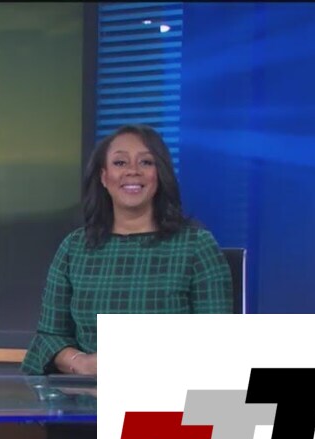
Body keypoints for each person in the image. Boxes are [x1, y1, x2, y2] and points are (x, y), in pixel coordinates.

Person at [20, 124, 233, 376]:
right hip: (88, 393)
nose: (133, 171)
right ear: (103, 177)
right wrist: (82, 363)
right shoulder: (74, 248)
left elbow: (218, 346)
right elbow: (50, 336)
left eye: (146, 162)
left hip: (171, 393)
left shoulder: (196, 246)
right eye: (120, 163)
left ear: (159, 174)